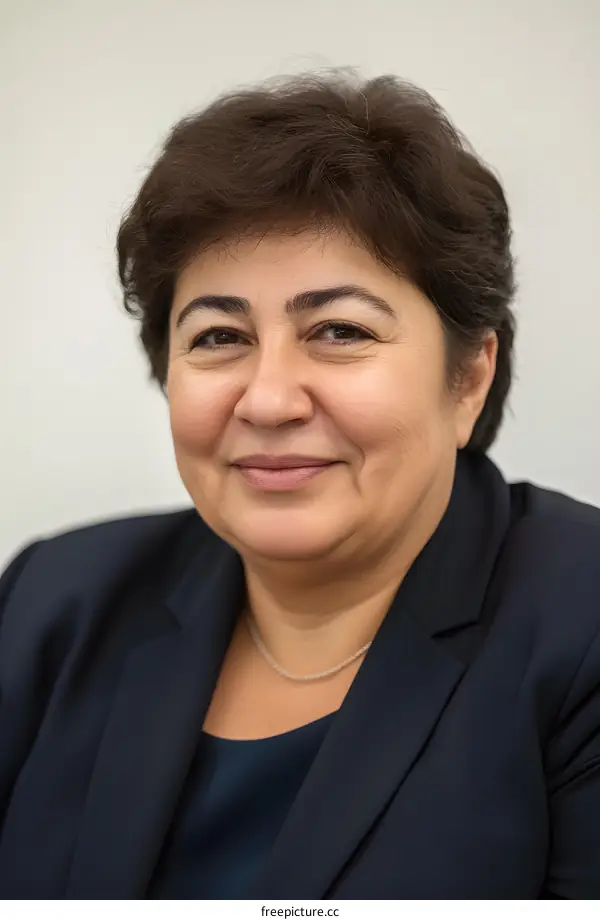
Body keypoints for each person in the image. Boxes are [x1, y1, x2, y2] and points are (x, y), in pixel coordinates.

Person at [1, 68, 599, 900]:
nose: (269, 399)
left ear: (468, 377)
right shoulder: (52, 605)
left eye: (339, 331)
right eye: (219, 337)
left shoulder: (581, 622)